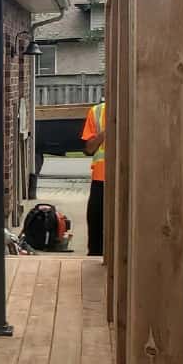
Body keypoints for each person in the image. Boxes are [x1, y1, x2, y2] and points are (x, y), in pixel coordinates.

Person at [81, 100, 106, 256]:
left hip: (128, 179)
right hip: (100, 178)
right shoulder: (96, 111)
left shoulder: (135, 109)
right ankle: (95, 255)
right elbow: (89, 148)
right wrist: (105, 132)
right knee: (95, 220)